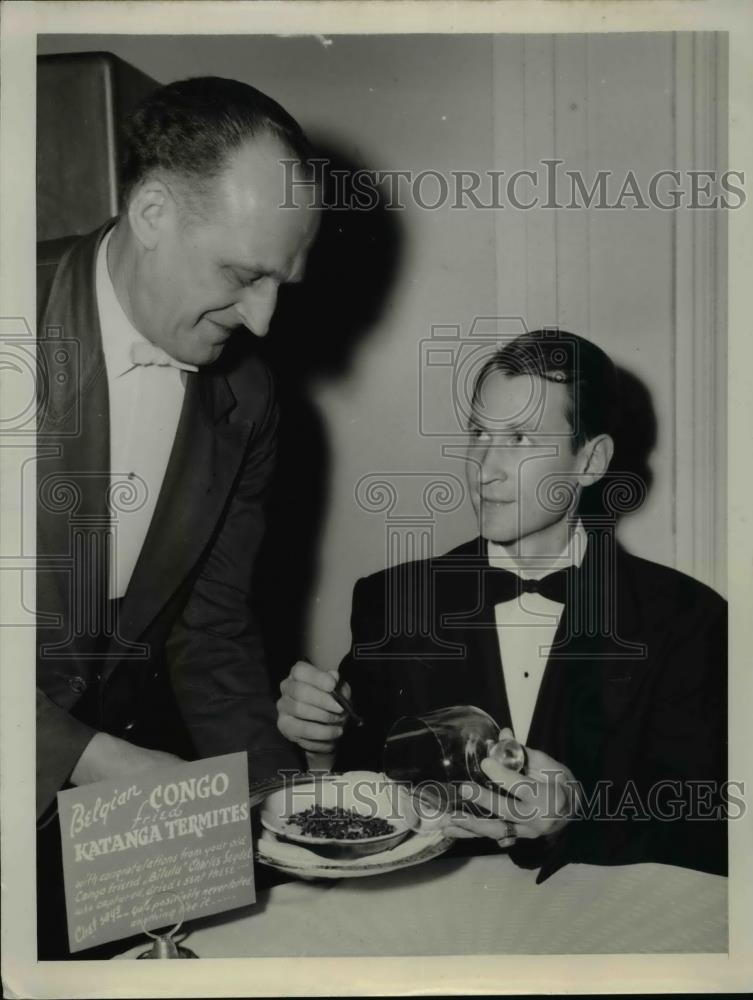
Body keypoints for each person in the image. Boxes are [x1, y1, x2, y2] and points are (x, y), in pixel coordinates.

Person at [277, 329, 727, 882]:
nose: (484, 466)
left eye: (518, 439)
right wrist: (320, 747)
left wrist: (576, 816)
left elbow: (710, 829)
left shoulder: (687, 620)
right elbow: (358, 801)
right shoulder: (393, 601)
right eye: (478, 432)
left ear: (590, 461)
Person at [36, 76, 318, 955]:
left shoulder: (248, 397)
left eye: (283, 281)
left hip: (112, 808)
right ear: (152, 212)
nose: (264, 322)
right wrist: (87, 759)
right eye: (242, 275)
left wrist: (281, 802)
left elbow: (212, 627)